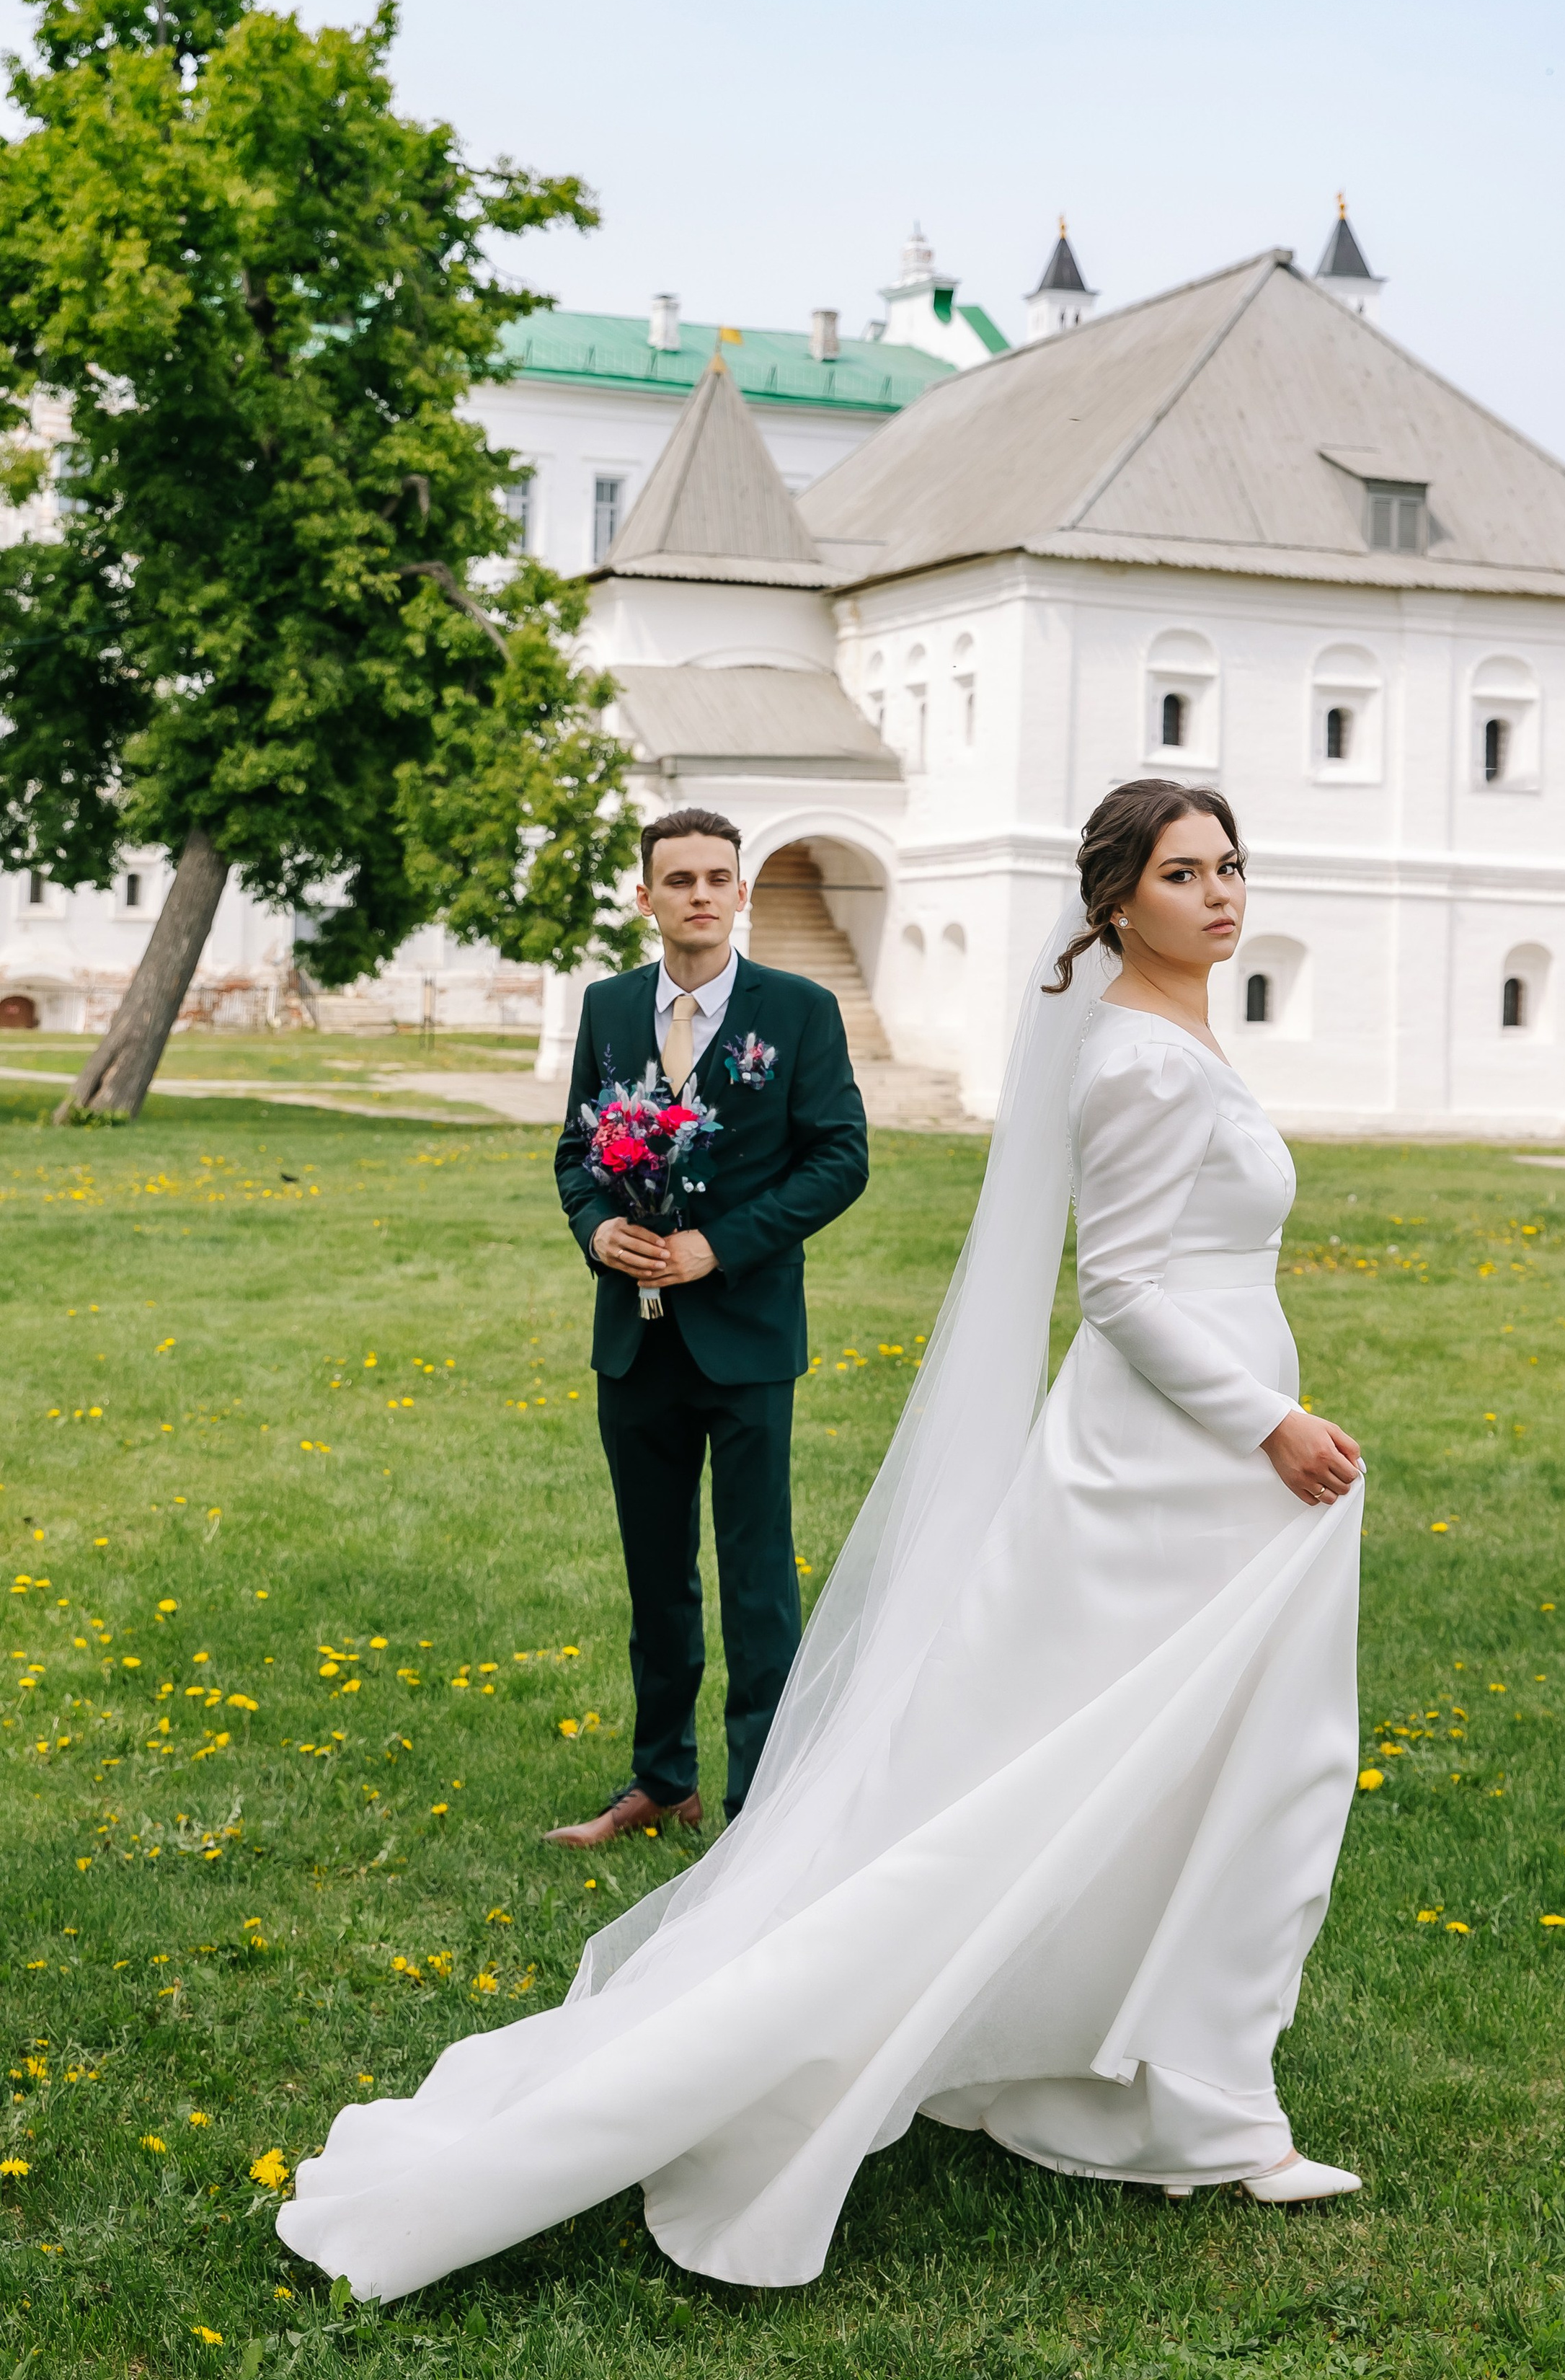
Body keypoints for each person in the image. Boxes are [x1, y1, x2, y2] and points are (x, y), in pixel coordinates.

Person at [279, 777, 1367, 2301]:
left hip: (1218, 1449)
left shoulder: (1172, 1037)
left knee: (1221, 1761)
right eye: (1184, 872)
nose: (1222, 891)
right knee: (1187, 1757)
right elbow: (1121, 1287)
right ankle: (1189, 2094)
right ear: (1117, 900)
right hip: (1183, 1453)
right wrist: (1269, 1421)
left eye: (1231, 865)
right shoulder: (1132, 1058)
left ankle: (1166, 2078)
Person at [545, 805, 869, 1843]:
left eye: (717, 878)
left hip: (747, 1334)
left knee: (758, 1576)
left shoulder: (802, 1010)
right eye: (678, 880)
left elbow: (840, 1158)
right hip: (633, 1337)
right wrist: (598, 1230)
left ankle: (760, 1803)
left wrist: (718, 1247)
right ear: (646, 897)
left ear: (742, 892)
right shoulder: (606, 1006)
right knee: (655, 1570)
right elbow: (576, 1153)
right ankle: (661, 1780)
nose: (699, 895)